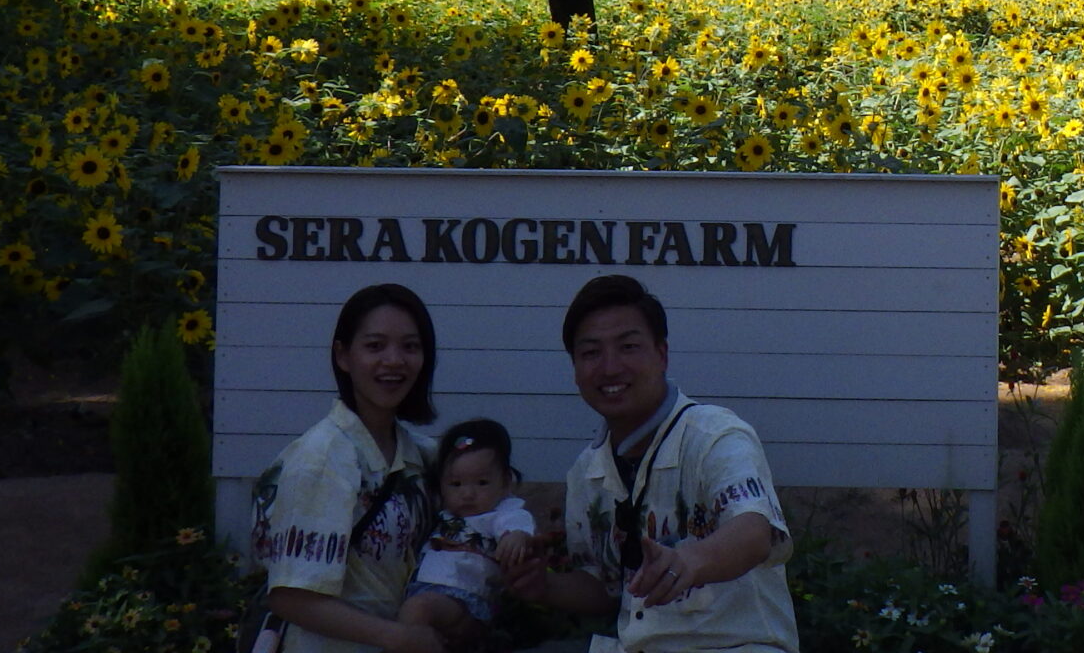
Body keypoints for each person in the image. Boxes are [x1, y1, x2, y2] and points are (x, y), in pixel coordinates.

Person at [507, 274, 796, 653]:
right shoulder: (586, 470)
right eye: (591, 353)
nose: (610, 368)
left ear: (661, 354)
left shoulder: (715, 434)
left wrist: (690, 559)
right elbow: (607, 586)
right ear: (575, 368)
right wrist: (543, 585)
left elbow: (754, 531)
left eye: (628, 347)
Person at [251, 283, 448, 653]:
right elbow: (290, 596)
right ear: (343, 355)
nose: (394, 361)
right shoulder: (321, 459)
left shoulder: (419, 454)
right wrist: (399, 637)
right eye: (375, 346)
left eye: (410, 346)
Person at [399, 419, 536, 643]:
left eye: (482, 482)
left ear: (505, 482)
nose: (468, 494)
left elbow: (516, 523)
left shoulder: (500, 512)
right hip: (428, 593)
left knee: (418, 610)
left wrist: (516, 537)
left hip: (467, 597)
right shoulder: (443, 512)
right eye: (456, 484)